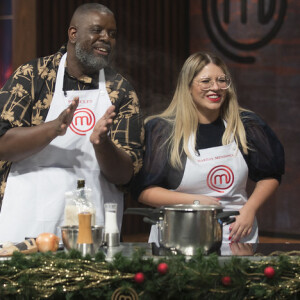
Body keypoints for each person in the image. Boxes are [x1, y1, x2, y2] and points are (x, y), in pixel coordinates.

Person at [0, 3, 143, 243]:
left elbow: (125, 175)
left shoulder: (120, 91)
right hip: (27, 216)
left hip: (92, 224)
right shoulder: (33, 76)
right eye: (97, 30)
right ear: (73, 34)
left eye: (112, 33)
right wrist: (53, 129)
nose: (106, 38)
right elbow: (2, 145)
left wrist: (102, 143)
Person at [133, 51, 284, 245]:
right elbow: (144, 191)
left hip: (236, 235)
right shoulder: (163, 130)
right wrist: (198, 203)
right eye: (206, 81)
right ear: (187, 87)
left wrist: (249, 210)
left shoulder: (246, 125)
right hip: (179, 236)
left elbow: (270, 175)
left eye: (222, 80)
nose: (216, 87)